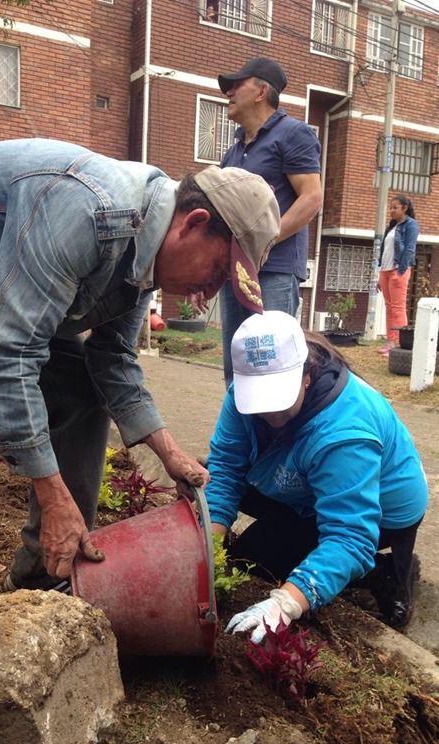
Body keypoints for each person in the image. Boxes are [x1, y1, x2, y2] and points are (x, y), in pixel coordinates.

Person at [0, 139, 280, 660]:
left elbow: (112, 360)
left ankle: (43, 573)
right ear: (192, 223)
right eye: (216, 272)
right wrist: (54, 497)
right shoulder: (89, 209)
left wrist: (168, 452)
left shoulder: (146, 250)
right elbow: (9, 351)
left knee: (81, 389)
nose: (208, 294)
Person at [206, 311, 427, 644]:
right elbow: (226, 465)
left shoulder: (345, 430)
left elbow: (350, 535)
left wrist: (284, 604)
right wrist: (209, 549)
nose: (269, 411)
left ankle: (388, 573)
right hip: (307, 485)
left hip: (384, 510)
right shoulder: (242, 394)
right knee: (247, 560)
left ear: (306, 375)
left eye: (278, 395)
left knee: (277, 562)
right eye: (258, 397)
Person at [215, 56, 323, 387]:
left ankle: (281, 438)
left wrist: (263, 240)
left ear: (262, 91)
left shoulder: (293, 134)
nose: (228, 93)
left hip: (274, 270)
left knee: (273, 363)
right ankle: (239, 437)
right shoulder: (233, 153)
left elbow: (311, 197)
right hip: (236, 273)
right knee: (237, 366)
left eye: (236, 85)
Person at [376, 195, 420, 356]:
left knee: (398, 308)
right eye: (391, 207)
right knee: (389, 308)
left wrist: (401, 271)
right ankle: (390, 342)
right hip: (385, 271)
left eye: (395, 207)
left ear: (404, 208)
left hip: (398, 270)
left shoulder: (411, 225)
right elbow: (385, 251)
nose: (391, 210)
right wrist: (380, 272)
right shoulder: (392, 227)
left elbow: (409, 249)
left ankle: (401, 345)